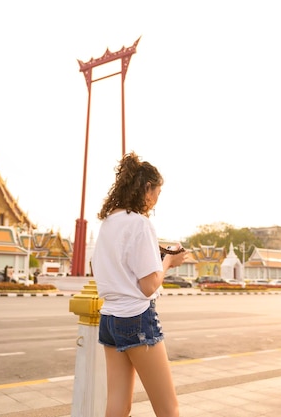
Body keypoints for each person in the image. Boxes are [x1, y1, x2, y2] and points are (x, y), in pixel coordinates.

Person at [91, 152, 187, 417]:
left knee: (118, 406)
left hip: (109, 318)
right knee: (168, 409)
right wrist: (168, 261)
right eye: (157, 192)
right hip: (136, 317)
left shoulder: (109, 222)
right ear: (146, 188)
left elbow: (105, 267)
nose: (156, 199)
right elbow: (148, 286)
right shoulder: (140, 223)